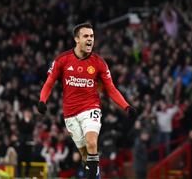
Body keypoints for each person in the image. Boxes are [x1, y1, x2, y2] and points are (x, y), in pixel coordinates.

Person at [37, 22, 137, 179]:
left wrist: (126, 107)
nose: (90, 39)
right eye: (86, 36)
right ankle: (95, 174)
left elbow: (111, 88)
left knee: (91, 143)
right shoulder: (62, 60)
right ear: (77, 39)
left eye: (92, 36)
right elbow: (49, 83)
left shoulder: (99, 63)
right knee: (85, 156)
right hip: (70, 113)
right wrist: (42, 101)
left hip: (91, 107)